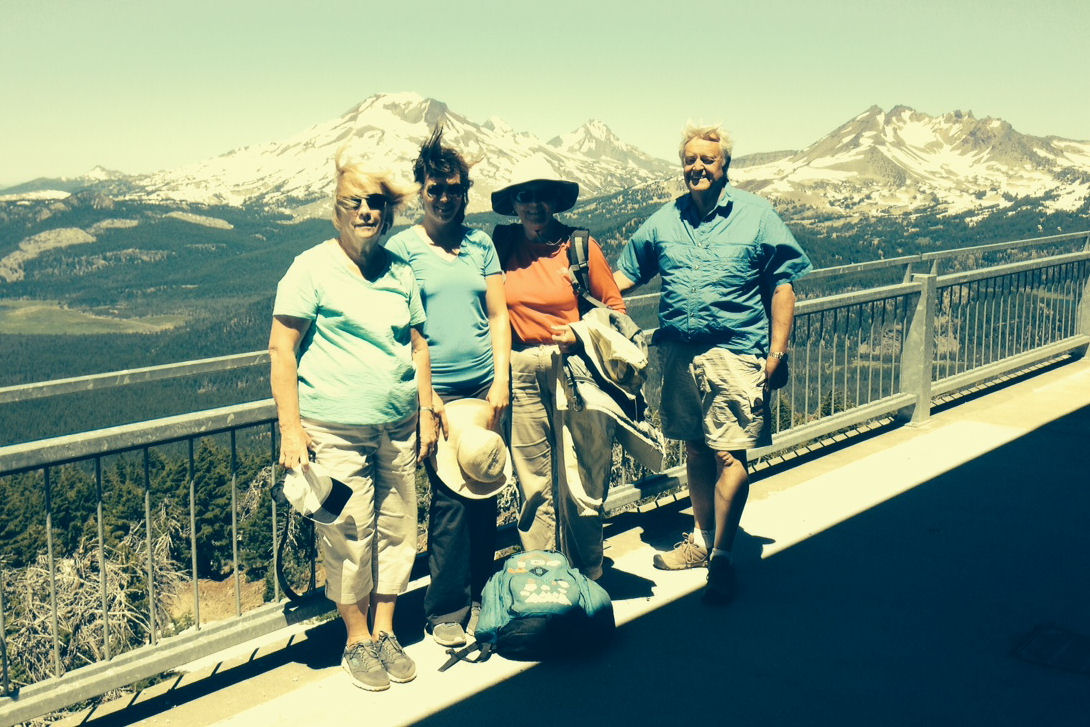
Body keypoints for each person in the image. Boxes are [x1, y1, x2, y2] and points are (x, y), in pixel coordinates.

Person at [614, 122, 812, 604]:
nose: (698, 167)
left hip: (736, 352)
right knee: (698, 452)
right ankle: (702, 541)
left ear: (725, 167)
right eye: (691, 160)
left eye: (708, 160)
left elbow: (783, 285)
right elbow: (623, 275)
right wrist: (569, 298)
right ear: (682, 164)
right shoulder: (664, 220)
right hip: (679, 354)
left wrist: (777, 353)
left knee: (730, 453)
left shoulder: (756, 215)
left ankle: (722, 553)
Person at [268, 153, 437, 691]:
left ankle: (386, 629)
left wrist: (427, 410)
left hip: (399, 426)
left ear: (389, 213)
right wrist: (291, 430)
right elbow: (281, 350)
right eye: (354, 203)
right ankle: (356, 638)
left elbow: (417, 348)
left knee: (397, 529)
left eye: (376, 204)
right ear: (336, 210)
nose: (366, 212)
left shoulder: (399, 272)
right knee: (348, 533)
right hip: (335, 430)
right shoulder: (309, 268)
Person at [385, 126, 510, 647]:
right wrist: (427, 401)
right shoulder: (402, 249)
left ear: (465, 192)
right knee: (449, 503)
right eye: (434, 188)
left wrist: (501, 380)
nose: (443, 197)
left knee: (484, 492)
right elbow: (402, 331)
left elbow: (498, 314)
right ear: (421, 191)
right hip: (438, 394)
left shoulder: (480, 244)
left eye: (453, 188)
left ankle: (482, 594)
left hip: (484, 389)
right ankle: (445, 608)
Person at [491, 166, 627, 580]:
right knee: (532, 477)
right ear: (513, 205)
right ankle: (544, 571)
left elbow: (616, 312)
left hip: (574, 368)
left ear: (555, 202)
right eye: (524, 196)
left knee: (581, 472)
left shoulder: (581, 248)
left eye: (542, 195)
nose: (533, 204)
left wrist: (579, 333)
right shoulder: (502, 246)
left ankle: (588, 570)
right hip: (520, 367)